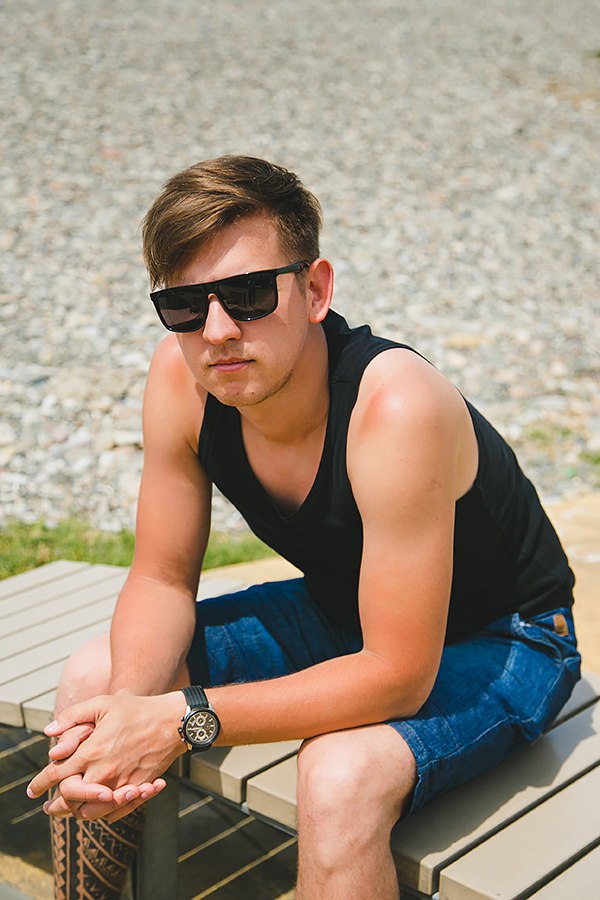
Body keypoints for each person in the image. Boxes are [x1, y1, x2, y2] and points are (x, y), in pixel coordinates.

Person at [27, 155, 581, 900]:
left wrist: (182, 719)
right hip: (346, 609)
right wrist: (128, 714)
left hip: (505, 636)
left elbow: (398, 674)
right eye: (184, 305)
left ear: (316, 290)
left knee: (338, 776)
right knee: (93, 684)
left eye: (249, 295)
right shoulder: (180, 381)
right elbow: (160, 579)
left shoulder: (396, 409)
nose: (217, 331)